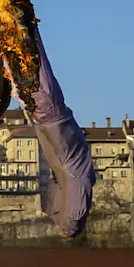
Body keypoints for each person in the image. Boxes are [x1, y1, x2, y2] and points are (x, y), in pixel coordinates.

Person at [28, 27, 96, 238]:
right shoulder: (69, 172)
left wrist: (70, 228)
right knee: (24, 58)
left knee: (33, 54)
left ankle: (26, 23)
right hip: (44, 117)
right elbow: (58, 195)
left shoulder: (77, 174)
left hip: (51, 112)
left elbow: (72, 215)